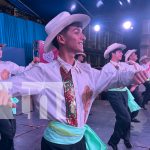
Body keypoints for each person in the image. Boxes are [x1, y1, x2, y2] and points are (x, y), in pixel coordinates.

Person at [0, 12, 148, 150]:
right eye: (77, 32)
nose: (83, 37)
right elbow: (9, 85)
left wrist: (132, 76)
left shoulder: (88, 72)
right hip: (55, 144)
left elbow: (113, 77)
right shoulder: (43, 72)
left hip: (79, 140)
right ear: (61, 39)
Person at [0, 44, 39, 150]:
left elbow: (23, 70)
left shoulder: (8, 65)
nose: (0, 51)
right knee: (7, 132)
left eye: (0, 49)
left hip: (8, 102)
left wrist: (32, 63)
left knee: (11, 131)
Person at [103, 43, 140, 150]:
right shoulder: (106, 68)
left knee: (123, 117)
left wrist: (132, 62)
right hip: (113, 93)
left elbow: (138, 70)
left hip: (125, 92)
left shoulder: (123, 65)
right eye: (119, 52)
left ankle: (126, 139)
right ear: (112, 54)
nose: (121, 54)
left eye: (121, 52)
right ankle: (114, 140)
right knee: (126, 118)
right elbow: (104, 84)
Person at [125, 49, 143, 121]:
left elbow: (142, 72)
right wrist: (134, 86)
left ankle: (131, 117)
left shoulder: (135, 64)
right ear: (130, 56)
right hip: (130, 86)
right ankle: (129, 118)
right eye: (134, 54)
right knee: (136, 101)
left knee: (135, 101)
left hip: (135, 85)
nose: (136, 55)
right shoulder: (128, 64)